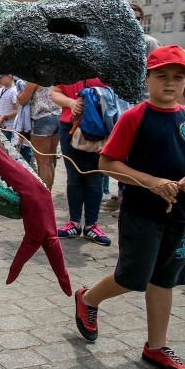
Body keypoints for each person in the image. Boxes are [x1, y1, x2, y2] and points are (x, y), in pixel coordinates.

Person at [74, 46, 185, 369]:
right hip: (142, 213)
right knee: (133, 277)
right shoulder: (134, 117)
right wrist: (152, 182)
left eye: (178, 77)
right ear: (147, 79)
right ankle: (87, 298)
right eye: (162, 76)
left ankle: (156, 347)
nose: (170, 83)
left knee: (166, 279)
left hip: (182, 215)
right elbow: (107, 163)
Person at [51, 79, 111, 246]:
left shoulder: (104, 69)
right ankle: (74, 223)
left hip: (97, 128)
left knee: (94, 177)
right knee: (74, 177)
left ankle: (91, 225)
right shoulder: (68, 68)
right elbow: (55, 92)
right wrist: (71, 103)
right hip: (68, 127)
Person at [17, 82, 60, 190]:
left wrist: (19, 95)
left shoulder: (35, 78)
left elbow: (22, 99)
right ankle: (48, 192)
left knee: (43, 162)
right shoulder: (55, 74)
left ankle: (44, 196)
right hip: (57, 117)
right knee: (50, 161)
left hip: (41, 118)